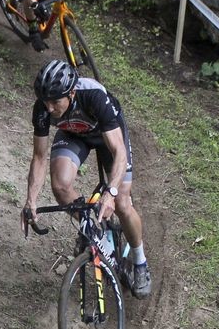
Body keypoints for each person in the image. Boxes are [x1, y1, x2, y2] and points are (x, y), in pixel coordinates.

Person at [21, 60, 152, 298]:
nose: (49, 108)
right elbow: (39, 157)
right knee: (60, 186)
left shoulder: (93, 96)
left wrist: (110, 193)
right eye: (45, 101)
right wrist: (30, 200)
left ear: (71, 93)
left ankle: (140, 261)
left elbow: (119, 152)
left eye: (55, 101)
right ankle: (92, 230)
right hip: (74, 134)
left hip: (108, 137)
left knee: (122, 202)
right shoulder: (42, 108)